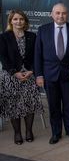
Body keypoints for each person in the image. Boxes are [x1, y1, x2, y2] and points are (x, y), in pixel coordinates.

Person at [34, 3, 69, 144]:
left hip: (68, 75)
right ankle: (56, 132)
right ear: (52, 14)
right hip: (49, 75)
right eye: (58, 13)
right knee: (53, 105)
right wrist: (39, 75)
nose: (61, 16)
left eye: (64, 13)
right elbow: (38, 54)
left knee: (68, 104)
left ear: (67, 14)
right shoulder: (43, 30)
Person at [0, 10, 43, 144]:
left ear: (25, 21)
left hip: (28, 76)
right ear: (11, 21)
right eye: (15, 19)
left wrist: (31, 71)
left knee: (29, 104)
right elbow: (3, 57)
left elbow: (37, 55)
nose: (18, 22)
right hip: (11, 76)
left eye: (21, 19)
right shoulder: (4, 37)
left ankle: (29, 130)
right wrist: (15, 72)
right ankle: (17, 133)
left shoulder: (32, 36)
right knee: (14, 105)